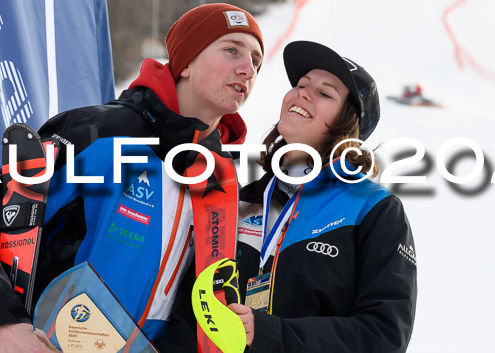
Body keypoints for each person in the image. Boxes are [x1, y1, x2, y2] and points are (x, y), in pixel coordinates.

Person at [0, 3, 264, 352]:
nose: (248, 69)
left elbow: (195, 302)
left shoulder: (224, 181)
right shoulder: (99, 133)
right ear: (185, 62)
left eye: (257, 61)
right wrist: (1, 326)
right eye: (232, 51)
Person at [160, 40, 417, 352]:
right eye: (301, 84)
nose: (302, 93)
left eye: (325, 92)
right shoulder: (240, 200)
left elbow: (385, 336)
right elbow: (189, 306)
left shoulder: (373, 209)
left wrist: (270, 333)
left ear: (348, 124)